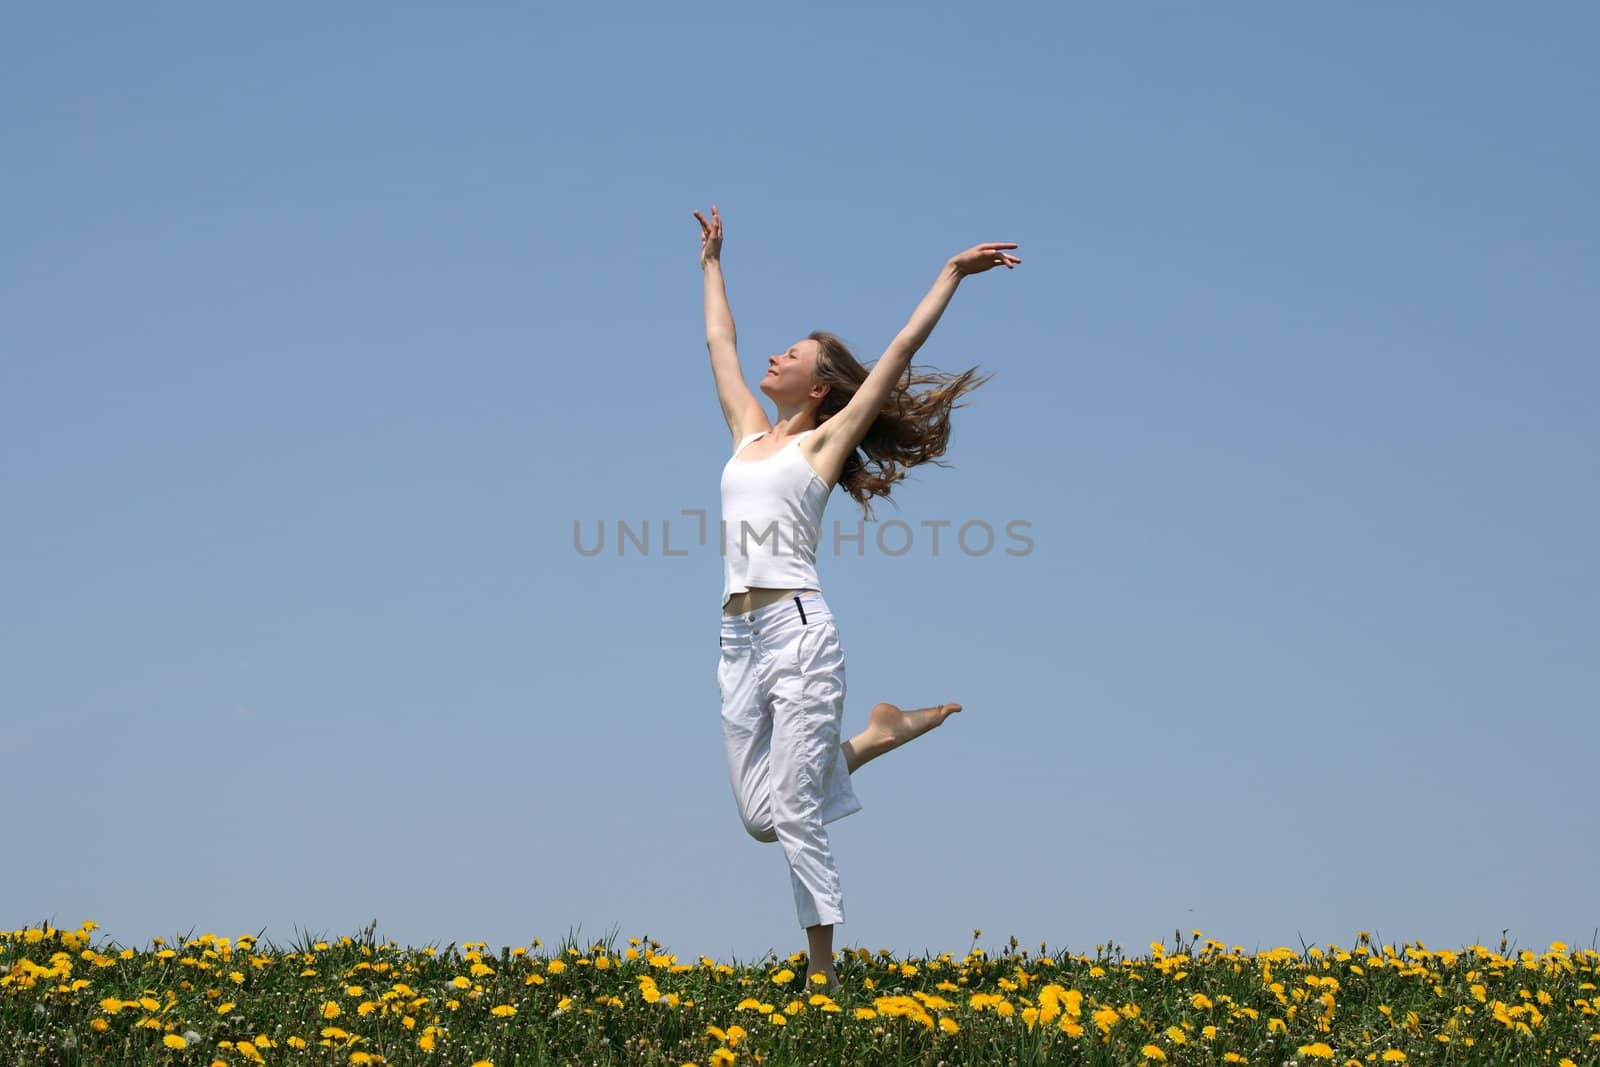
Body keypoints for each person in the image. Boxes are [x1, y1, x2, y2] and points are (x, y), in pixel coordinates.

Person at [696, 204, 1020, 989]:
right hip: (736, 638)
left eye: (793, 353)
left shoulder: (822, 442)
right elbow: (720, 343)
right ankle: (875, 737)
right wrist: (711, 262)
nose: (774, 356)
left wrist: (950, 273)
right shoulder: (747, 432)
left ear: (822, 383)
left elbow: (902, 349)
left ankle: (822, 973)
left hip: (799, 630)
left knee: (796, 812)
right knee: (760, 818)